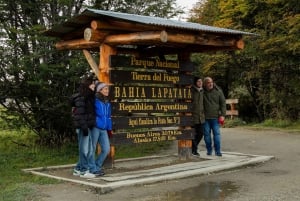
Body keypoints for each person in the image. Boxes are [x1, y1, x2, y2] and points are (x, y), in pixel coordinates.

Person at [70, 75, 96, 178]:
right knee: (85, 150)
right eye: (92, 85)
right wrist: (84, 127)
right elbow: (79, 115)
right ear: (87, 85)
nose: (94, 87)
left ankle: (78, 169)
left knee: (88, 149)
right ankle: (84, 171)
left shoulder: (89, 97)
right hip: (83, 127)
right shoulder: (81, 98)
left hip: (87, 126)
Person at [89, 81, 112, 176]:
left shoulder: (107, 101)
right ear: (100, 90)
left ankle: (97, 166)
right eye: (105, 89)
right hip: (95, 127)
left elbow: (109, 116)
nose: (107, 91)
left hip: (104, 129)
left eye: (107, 89)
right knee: (92, 148)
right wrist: (94, 122)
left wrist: (109, 129)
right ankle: (92, 168)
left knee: (106, 149)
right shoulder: (94, 100)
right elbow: (90, 111)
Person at [203, 77, 226, 156]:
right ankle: (209, 150)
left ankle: (218, 151)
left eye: (211, 82)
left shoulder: (218, 91)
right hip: (205, 118)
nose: (211, 84)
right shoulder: (202, 92)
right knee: (206, 135)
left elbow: (223, 104)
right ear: (205, 84)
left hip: (216, 117)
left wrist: (223, 115)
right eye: (208, 82)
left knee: (217, 135)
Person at [191, 77, 205, 157]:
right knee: (192, 134)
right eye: (198, 81)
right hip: (192, 117)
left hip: (201, 117)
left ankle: (193, 148)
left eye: (201, 81)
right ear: (195, 82)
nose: (200, 83)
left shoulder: (203, 91)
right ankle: (194, 150)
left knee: (200, 133)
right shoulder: (192, 91)